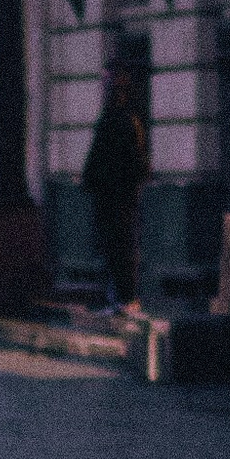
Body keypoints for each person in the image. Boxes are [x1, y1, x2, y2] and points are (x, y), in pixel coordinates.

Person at [81, 65, 148, 312]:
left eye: (112, 87)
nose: (109, 91)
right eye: (108, 86)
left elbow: (134, 163)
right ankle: (120, 296)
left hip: (118, 198)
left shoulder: (124, 121)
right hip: (110, 196)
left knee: (120, 247)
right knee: (114, 247)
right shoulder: (113, 119)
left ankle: (125, 297)